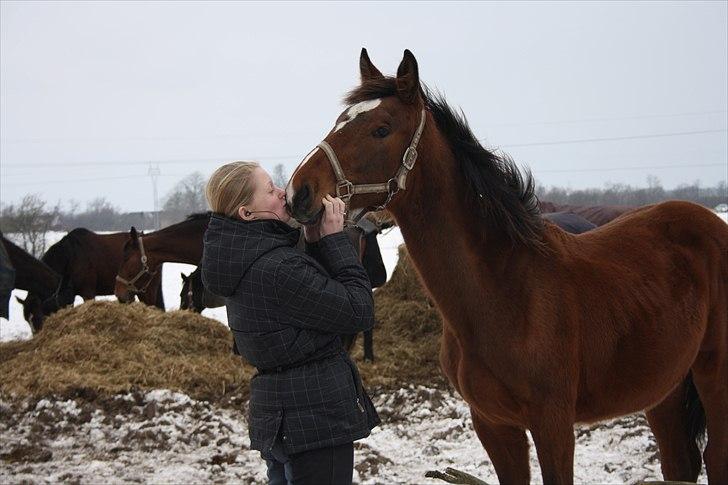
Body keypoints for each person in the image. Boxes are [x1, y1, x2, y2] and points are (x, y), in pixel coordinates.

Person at [201, 161, 380, 485]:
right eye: (269, 190)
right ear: (247, 213)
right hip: (313, 422)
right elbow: (359, 310)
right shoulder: (278, 268)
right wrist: (335, 240)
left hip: (282, 419)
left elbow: (307, 305)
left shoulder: (242, 261)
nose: (283, 192)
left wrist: (313, 241)